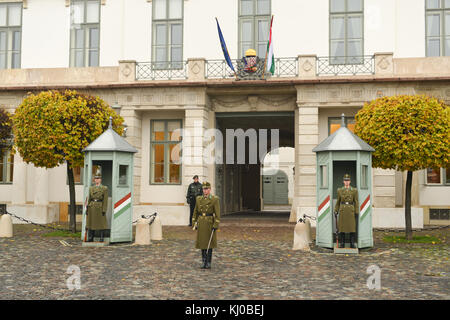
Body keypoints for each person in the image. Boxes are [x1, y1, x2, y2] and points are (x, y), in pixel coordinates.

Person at [192, 182, 220, 269]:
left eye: (207, 189)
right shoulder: (198, 199)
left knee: (209, 243)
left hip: (209, 222)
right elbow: (195, 212)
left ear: (210, 189)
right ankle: (203, 260)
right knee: (202, 243)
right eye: (204, 189)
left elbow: (217, 214)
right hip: (201, 222)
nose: (205, 191)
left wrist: (216, 224)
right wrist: (194, 223)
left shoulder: (214, 199)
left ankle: (208, 262)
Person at [334, 174, 359, 248]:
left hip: (351, 210)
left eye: (348, 180)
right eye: (345, 180)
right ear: (343, 182)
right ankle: (342, 243)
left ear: (350, 181)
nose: (347, 182)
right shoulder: (340, 190)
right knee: (342, 227)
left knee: (352, 227)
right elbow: (338, 201)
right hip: (343, 210)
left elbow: (356, 202)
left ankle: (352, 243)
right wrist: (336, 210)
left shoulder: (354, 190)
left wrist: (356, 211)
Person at [86, 171, 109, 242]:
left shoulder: (104, 188)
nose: (97, 180)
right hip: (92, 206)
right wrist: (87, 208)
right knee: (91, 223)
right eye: (95, 179)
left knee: (101, 223)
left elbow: (105, 200)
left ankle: (101, 237)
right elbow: (89, 198)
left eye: (98, 179)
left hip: (99, 206)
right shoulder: (91, 188)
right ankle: (91, 237)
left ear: (100, 179)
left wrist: (104, 210)